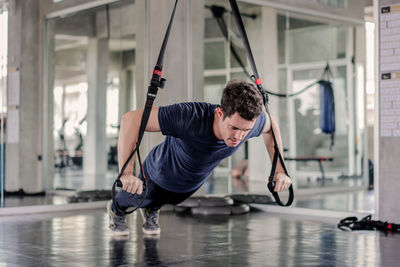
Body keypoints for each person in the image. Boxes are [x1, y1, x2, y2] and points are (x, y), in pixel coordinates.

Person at [107, 80, 292, 236]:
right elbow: (130, 119)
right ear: (220, 113)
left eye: (246, 130)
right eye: (234, 128)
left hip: (190, 183)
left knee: (171, 199)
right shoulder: (189, 117)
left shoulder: (251, 121)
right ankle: (116, 210)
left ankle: (152, 208)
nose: (239, 136)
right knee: (144, 197)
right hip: (159, 172)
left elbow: (271, 125)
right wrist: (126, 172)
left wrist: (280, 170)